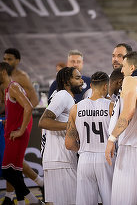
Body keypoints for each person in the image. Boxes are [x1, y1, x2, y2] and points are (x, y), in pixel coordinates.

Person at [105, 51, 137, 205]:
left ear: (132, 67)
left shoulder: (130, 80)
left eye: (124, 66)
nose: (122, 70)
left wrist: (111, 139)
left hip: (130, 149)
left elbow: (128, 112)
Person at [0, 48, 43, 205]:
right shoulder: (6, 86)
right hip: (11, 123)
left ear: (17, 61)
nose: (7, 61)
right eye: (5, 58)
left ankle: (37, 190)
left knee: (11, 168)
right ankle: (14, 199)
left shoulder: (20, 80)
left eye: (10, 58)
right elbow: (4, 102)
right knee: (13, 167)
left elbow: (31, 103)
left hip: (21, 125)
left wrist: (22, 125)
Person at [65, 71, 114, 205]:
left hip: (85, 159)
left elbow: (69, 144)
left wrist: (83, 149)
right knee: (110, 200)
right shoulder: (111, 106)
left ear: (91, 86)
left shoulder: (75, 108)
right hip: (106, 158)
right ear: (106, 87)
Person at [38, 67, 83, 205]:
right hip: (60, 160)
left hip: (57, 159)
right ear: (66, 82)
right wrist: (72, 126)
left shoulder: (64, 96)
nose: (82, 81)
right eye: (77, 78)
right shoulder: (63, 95)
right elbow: (43, 121)